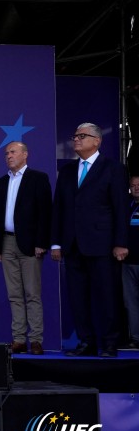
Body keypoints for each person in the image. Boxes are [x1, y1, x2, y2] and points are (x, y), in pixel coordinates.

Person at [51, 122, 129, 358]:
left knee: (106, 296)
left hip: (103, 244)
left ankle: (109, 343)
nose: (76, 139)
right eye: (74, 136)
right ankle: (86, 341)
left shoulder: (113, 169)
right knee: (78, 298)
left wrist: (121, 242)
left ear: (97, 140)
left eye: (82, 136)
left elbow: (120, 208)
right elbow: (59, 209)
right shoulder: (66, 171)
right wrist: (56, 242)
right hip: (73, 245)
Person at [0, 141, 52, 356]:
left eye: (13, 152)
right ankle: (18, 339)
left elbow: (45, 213)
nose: (9, 156)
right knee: (14, 294)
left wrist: (42, 242)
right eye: (6, 153)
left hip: (31, 243)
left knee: (32, 293)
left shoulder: (38, 178)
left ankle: (35, 340)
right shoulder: (0, 182)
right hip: (6, 242)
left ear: (25, 154)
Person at [121, 175, 139, 350]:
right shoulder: (127, 206)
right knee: (131, 302)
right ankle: (135, 338)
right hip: (129, 263)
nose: (136, 188)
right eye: (133, 185)